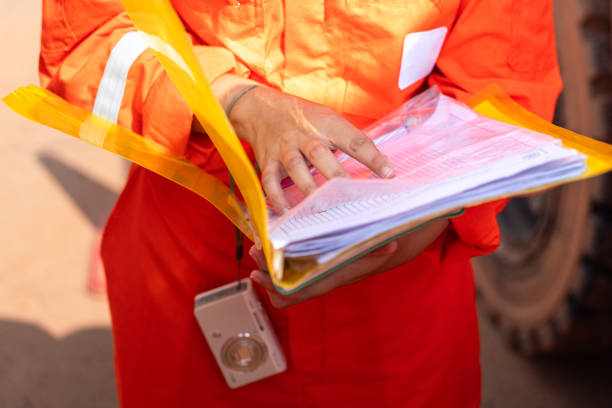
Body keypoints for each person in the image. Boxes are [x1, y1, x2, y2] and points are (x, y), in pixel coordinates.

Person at [40, 0, 561, 406]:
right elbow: (89, 35)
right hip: (192, 275)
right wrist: (232, 100)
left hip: (401, 314)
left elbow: (505, 88)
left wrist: (410, 233)